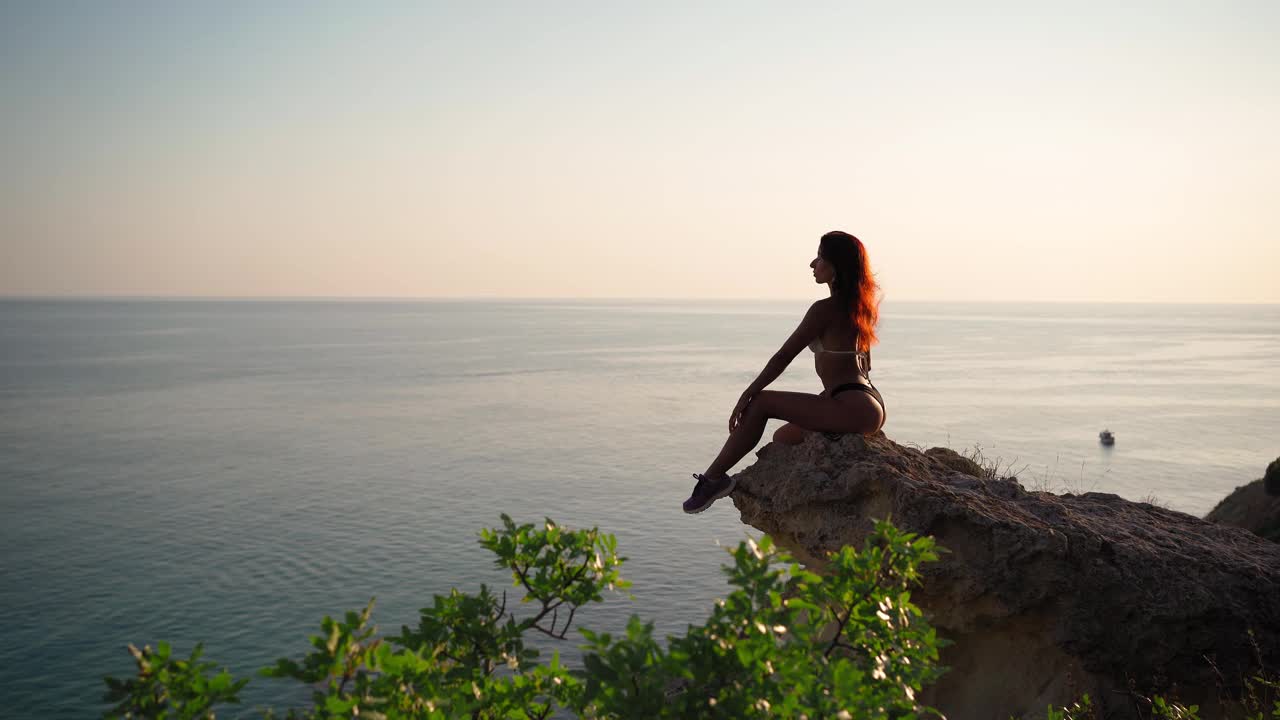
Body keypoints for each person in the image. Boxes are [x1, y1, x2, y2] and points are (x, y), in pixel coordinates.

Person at [682, 230, 886, 514]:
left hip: (852, 405)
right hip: (866, 402)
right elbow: (862, 366)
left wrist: (748, 394)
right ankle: (835, 436)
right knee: (783, 438)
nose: (813, 264)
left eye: (819, 258)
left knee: (762, 403)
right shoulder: (860, 308)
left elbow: (783, 356)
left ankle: (713, 479)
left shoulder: (824, 310)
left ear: (835, 267)